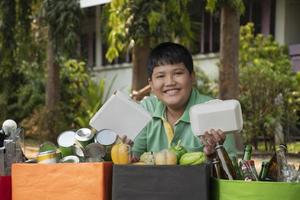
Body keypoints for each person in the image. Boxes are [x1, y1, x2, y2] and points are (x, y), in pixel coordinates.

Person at [131, 42, 237, 159]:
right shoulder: (147, 109)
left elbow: (230, 172)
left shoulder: (215, 111)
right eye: (161, 76)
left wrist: (213, 155)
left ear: (192, 77)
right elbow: (133, 158)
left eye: (178, 73)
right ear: (151, 83)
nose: (170, 82)